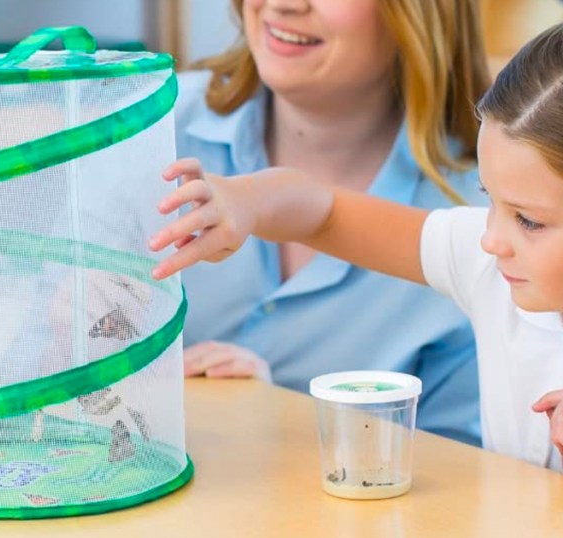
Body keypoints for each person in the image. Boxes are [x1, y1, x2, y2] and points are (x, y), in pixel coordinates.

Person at [150, 23, 563, 470]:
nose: (492, 238)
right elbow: (326, 212)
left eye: (529, 220)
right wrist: (247, 200)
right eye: (489, 200)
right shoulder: (480, 264)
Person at [175, 0, 488, 445]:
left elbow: (461, 487)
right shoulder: (147, 124)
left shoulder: (489, 226)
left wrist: (277, 420)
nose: (284, 4)